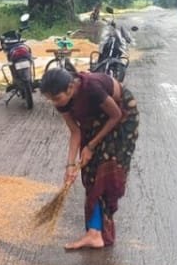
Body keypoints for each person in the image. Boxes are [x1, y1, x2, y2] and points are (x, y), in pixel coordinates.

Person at [39, 68, 139, 250]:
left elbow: (115, 115)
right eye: (50, 99)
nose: (54, 103)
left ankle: (98, 233)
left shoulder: (91, 88)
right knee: (90, 174)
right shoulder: (62, 101)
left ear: (71, 87)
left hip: (121, 115)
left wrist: (91, 146)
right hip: (96, 117)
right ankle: (94, 233)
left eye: (56, 98)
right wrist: (70, 165)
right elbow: (75, 131)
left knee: (105, 170)